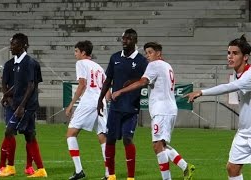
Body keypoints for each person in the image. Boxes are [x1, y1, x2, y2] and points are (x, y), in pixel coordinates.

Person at [111, 42, 195, 180]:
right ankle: (186, 167)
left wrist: (121, 91)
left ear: (158, 53)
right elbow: (147, 80)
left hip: (162, 110)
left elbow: (143, 82)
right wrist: (133, 80)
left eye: (150, 52)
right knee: (161, 144)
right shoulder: (167, 66)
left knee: (157, 146)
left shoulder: (154, 65)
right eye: (146, 53)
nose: (147, 56)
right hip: (169, 109)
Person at [184, 35, 251, 180]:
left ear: (245, 57)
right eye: (228, 53)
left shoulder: (249, 75)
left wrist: (201, 92)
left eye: (235, 53)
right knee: (232, 168)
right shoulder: (237, 73)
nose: (230, 56)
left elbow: (229, 87)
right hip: (244, 132)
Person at [97, 28, 148, 180]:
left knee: (127, 139)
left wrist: (132, 82)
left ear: (135, 41)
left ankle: (130, 177)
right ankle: (111, 175)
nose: (125, 41)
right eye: (123, 39)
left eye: (128, 39)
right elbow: (107, 81)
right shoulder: (114, 58)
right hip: (115, 107)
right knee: (110, 139)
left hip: (131, 107)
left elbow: (145, 81)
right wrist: (99, 100)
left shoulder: (141, 61)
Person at [0, 33, 47, 178]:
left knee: (9, 131)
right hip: (21, 105)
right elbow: (18, 86)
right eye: (11, 43)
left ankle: (11, 167)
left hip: (25, 107)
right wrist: (6, 96)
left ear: (23, 46)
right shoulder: (16, 64)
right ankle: (40, 170)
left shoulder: (29, 63)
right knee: (29, 135)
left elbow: (31, 86)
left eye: (14, 44)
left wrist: (22, 106)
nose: (11, 47)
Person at [65, 40, 110, 180]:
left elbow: (82, 84)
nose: (75, 54)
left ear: (83, 53)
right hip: (101, 102)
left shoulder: (81, 63)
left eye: (76, 51)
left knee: (71, 133)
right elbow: (108, 87)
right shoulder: (99, 67)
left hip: (89, 101)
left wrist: (71, 104)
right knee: (102, 136)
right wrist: (104, 101)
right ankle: (109, 174)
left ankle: (79, 171)